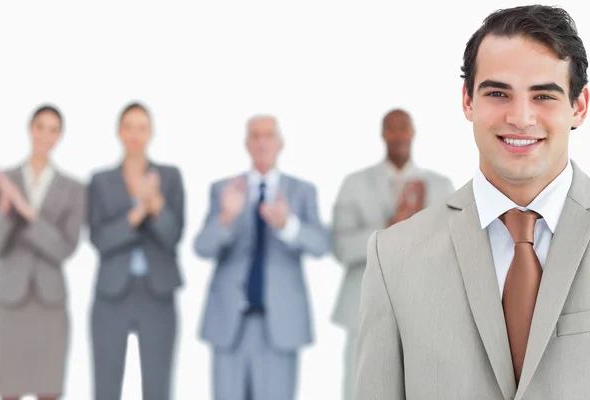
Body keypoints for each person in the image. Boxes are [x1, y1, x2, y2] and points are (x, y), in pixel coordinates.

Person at [353, 5, 590, 400]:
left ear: (579, 106)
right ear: (467, 101)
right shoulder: (393, 258)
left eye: (543, 95)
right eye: (498, 93)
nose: (520, 117)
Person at [194, 115, 329, 400]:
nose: (261, 141)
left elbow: (320, 244)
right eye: (254, 135)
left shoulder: (301, 191)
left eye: (268, 135)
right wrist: (226, 217)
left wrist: (288, 225)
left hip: (280, 325)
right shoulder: (224, 190)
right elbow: (202, 247)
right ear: (246, 143)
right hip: (229, 324)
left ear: (280, 143)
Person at [331, 109, 454, 400]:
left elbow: (453, 247)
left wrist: (418, 229)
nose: (399, 135)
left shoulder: (440, 186)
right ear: (383, 134)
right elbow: (340, 247)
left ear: (413, 132)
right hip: (362, 306)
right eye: (392, 128)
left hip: (425, 307)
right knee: (359, 388)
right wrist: (389, 227)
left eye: (404, 128)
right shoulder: (354, 184)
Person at [87, 102, 185, 400]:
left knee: (158, 387)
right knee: (106, 386)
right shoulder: (101, 180)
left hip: (158, 293)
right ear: (119, 131)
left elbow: (173, 236)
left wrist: (156, 205)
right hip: (112, 293)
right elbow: (100, 239)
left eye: (141, 127)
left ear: (151, 132)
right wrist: (139, 211)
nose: (134, 134)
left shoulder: (169, 177)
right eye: (128, 126)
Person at [0, 105, 86, 400]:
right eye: (40, 126)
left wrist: (25, 210)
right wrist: (6, 210)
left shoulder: (73, 187)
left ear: (60, 136)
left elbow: (64, 248)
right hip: (9, 297)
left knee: (48, 388)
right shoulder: (2, 181)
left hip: (50, 300)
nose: (45, 135)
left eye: (53, 129)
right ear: (30, 129)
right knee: (9, 388)